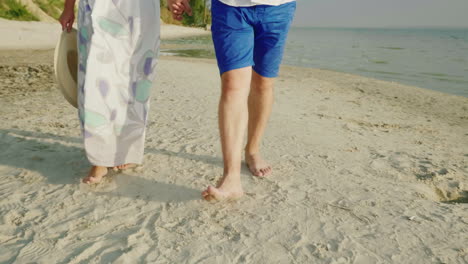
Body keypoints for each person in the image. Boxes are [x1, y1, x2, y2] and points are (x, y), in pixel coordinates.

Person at [174, 0, 296, 200]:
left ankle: (252, 150)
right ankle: (231, 177)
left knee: (263, 83)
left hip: (278, 7)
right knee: (232, 84)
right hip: (229, 6)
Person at [59, 0, 190, 183]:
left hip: (138, 8)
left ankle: (126, 149)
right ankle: (100, 159)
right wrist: (67, 7)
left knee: (134, 77)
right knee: (97, 76)